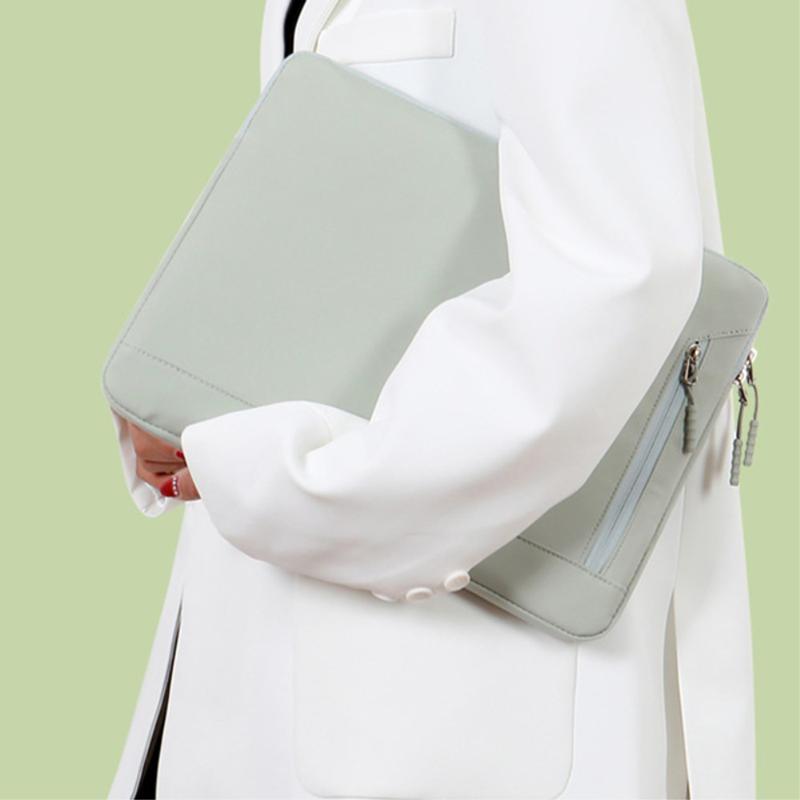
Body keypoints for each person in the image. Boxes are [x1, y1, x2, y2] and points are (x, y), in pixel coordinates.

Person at [108, 1, 756, 798]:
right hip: (284, 653)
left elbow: (613, 282)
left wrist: (287, 478)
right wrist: (197, 398)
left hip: (453, 683)